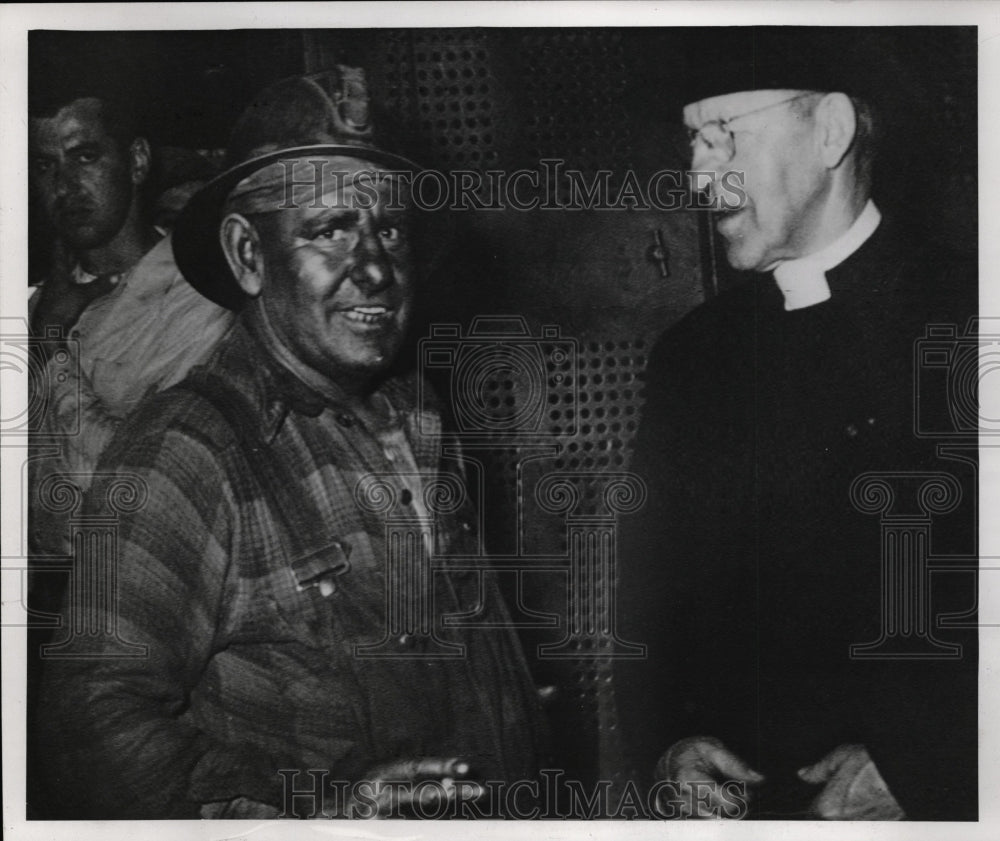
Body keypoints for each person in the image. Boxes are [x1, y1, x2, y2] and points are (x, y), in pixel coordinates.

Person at [35, 70, 545, 819]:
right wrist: (314, 809)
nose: (374, 267)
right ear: (247, 253)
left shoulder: (417, 419)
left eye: (391, 230)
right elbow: (88, 730)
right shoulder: (186, 451)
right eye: (330, 229)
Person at [615, 29, 977, 821]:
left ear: (831, 132)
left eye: (725, 137)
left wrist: (930, 764)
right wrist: (665, 749)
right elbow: (647, 602)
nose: (697, 174)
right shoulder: (692, 356)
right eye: (692, 142)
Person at [27, 87, 234, 565]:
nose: (65, 185)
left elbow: (144, 491)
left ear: (137, 162)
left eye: (85, 157)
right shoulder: (38, 304)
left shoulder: (200, 303)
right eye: (45, 166)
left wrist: (51, 347)